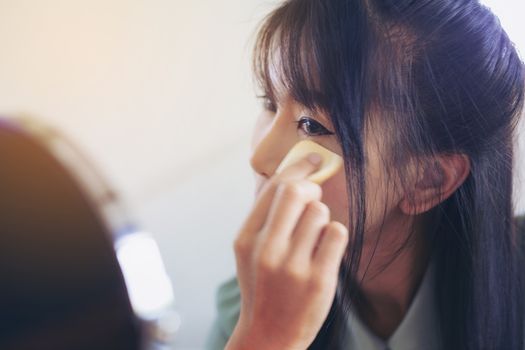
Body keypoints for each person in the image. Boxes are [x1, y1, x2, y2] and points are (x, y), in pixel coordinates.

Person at [206, 0, 525, 349]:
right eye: (269, 102)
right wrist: (266, 336)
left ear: (428, 180)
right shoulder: (250, 305)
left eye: (312, 125)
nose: (260, 158)